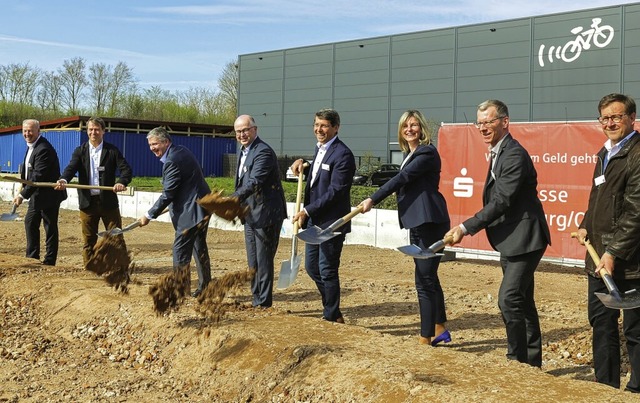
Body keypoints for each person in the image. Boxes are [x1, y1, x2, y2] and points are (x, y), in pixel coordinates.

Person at [444, 99, 551, 367]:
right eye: (479, 123)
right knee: (523, 302)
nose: (483, 128)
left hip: (525, 238)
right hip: (512, 239)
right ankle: (531, 363)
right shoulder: (499, 151)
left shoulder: (513, 154)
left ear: (505, 122)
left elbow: (502, 200)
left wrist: (465, 227)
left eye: (489, 122)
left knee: (508, 299)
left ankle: (517, 360)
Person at [359, 110, 451, 346]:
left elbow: (402, 179)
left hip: (429, 222)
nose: (409, 129)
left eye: (414, 125)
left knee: (423, 280)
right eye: (405, 126)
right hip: (419, 222)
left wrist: (373, 198)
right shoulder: (409, 154)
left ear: (421, 128)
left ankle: (425, 337)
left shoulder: (427, 152)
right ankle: (440, 328)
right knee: (429, 277)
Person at [575, 93, 640, 392]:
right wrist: (586, 225)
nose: (610, 122)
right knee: (601, 322)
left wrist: (614, 251)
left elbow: (636, 211)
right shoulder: (605, 153)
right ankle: (605, 387)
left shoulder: (637, 154)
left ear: (630, 118)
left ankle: (637, 388)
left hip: (630, 260)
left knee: (635, 328)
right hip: (599, 257)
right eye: (605, 118)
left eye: (616, 116)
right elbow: (598, 198)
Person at [290, 108, 356, 323]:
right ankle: (333, 309)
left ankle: (330, 315)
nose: (319, 129)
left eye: (324, 125)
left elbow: (336, 190)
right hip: (315, 222)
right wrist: (304, 164)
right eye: (317, 125)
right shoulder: (320, 149)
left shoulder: (343, 154)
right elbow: (319, 175)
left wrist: (307, 210)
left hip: (332, 223)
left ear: (336, 128)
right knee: (312, 267)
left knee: (327, 268)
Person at [137, 127, 212, 297]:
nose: (152, 148)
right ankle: (206, 287)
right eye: (150, 145)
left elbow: (168, 194)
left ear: (165, 142)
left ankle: (180, 291)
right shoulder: (181, 150)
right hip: (203, 207)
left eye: (155, 144)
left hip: (192, 212)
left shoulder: (172, 160)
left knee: (180, 250)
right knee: (199, 247)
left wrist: (149, 215)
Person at [55, 117, 132, 268]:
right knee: (88, 239)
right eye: (90, 129)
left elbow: (126, 170)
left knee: (116, 236)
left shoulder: (111, 151)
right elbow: (71, 168)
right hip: (87, 203)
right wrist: (64, 179)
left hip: (108, 202)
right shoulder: (80, 151)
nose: (93, 132)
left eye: (97, 129)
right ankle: (89, 267)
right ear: (87, 131)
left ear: (103, 131)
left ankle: (121, 267)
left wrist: (121, 182)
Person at [232, 115, 287, 308]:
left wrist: (232, 199)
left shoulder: (263, 151)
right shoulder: (244, 151)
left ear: (255, 129)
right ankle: (257, 299)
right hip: (250, 213)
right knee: (253, 260)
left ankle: (263, 303)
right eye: (238, 131)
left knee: (263, 260)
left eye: (246, 130)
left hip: (266, 214)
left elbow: (254, 182)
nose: (242, 134)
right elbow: (241, 181)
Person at [13, 119, 67, 266]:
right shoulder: (31, 146)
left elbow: (37, 176)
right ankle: (32, 257)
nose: (27, 133)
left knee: (49, 227)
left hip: (49, 195)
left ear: (38, 131)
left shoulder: (43, 149)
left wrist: (22, 195)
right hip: (37, 195)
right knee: (30, 222)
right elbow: (29, 173)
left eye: (30, 130)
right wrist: (22, 187)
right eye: (24, 130)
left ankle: (49, 261)